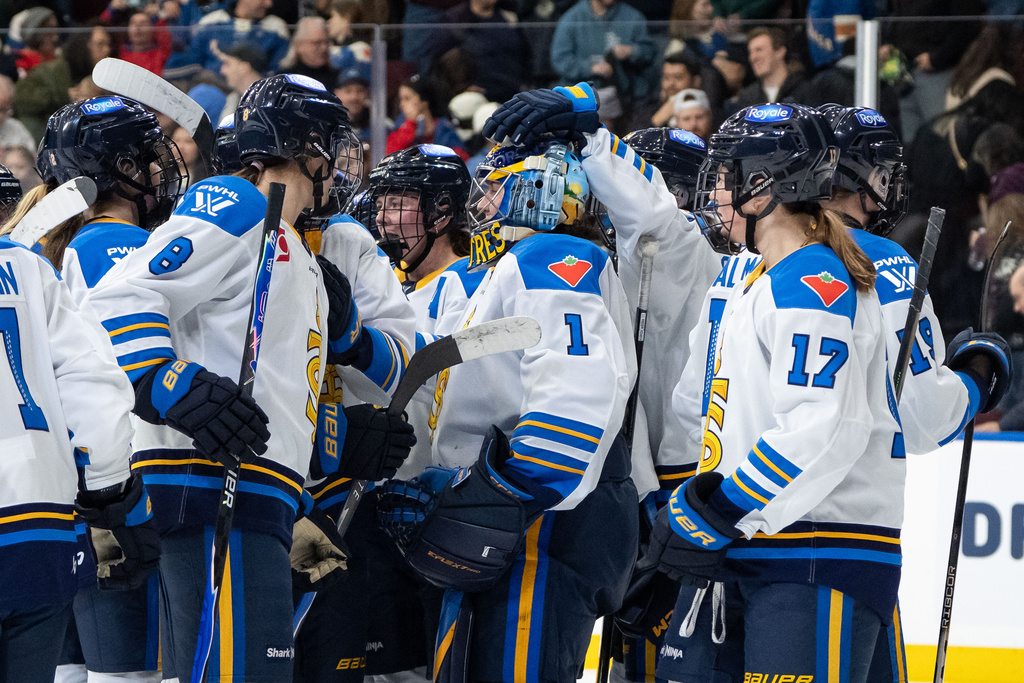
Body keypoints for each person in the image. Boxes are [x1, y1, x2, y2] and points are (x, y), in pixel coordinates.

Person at [81, 74, 405, 682]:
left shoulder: (296, 245)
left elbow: (270, 389)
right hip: (210, 488)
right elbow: (118, 297)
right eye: (330, 144)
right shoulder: (239, 201)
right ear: (303, 146)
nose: (338, 161)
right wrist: (163, 381)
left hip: (261, 498)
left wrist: (336, 435)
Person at [382, 139, 639, 682]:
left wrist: (499, 496)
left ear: (541, 189)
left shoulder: (553, 256)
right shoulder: (510, 269)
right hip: (513, 516)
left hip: (539, 521)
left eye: (497, 188)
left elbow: (575, 390)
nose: (482, 205)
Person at [818, 104, 1011, 682]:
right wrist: (976, 381)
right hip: (850, 540)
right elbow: (924, 417)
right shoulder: (882, 264)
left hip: (733, 532)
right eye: (878, 172)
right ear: (844, 176)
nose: (887, 186)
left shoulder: (744, 264)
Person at [7, 94, 188, 683]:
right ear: (121, 169)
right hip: (86, 502)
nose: (162, 170)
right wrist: (118, 499)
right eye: (148, 158)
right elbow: (103, 382)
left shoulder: (43, 249)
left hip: (66, 500)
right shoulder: (98, 247)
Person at [163, 0, 290, 80]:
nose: (269, 4)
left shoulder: (276, 27)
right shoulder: (212, 21)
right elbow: (190, 61)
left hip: (254, 94)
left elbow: (280, 71)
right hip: (212, 90)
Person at [386, 76, 468, 159]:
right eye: (401, 99)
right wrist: (410, 125)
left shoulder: (445, 130)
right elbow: (392, 159)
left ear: (424, 101)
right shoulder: (400, 132)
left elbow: (460, 159)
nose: (401, 105)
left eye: (407, 99)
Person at [728, 27, 805, 113]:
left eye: (759, 50)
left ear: (780, 52)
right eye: (750, 52)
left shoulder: (804, 89)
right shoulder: (747, 97)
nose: (753, 58)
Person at [280, 17, 339, 89]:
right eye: (317, 43)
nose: (324, 48)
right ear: (299, 45)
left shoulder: (340, 79)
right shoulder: (285, 80)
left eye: (327, 42)